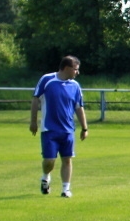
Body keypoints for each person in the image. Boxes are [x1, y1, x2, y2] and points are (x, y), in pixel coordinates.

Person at [30, 55, 88, 197]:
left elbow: (79, 107)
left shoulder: (75, 86)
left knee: (67, 159)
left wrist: (84, 128)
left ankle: (65, 189)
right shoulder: (47, 80)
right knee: (49, 161)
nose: (77, 72)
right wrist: (33, 121)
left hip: (68, 130)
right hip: (49, 129)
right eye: (76, 69)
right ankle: (45, 177)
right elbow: (35, 99)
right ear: (67, 68)